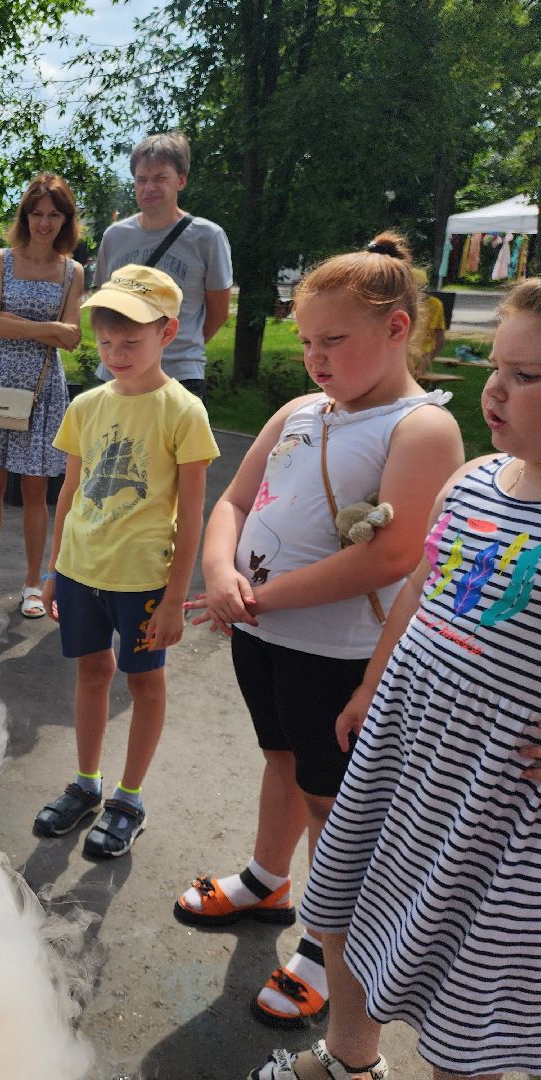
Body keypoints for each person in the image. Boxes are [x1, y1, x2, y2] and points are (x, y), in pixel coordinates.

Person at [248, 279, 541, 1080]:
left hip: (499, 802)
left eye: (527, 376)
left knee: (470, 977)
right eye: (495, 365)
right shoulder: (476, 481)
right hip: (406, 755)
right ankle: (350, 1059)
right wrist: (372, 687)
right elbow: (418, 586)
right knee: (345, 903)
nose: (495, 389)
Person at [176, 233, 464, 1030]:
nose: (316, 358)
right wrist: (221, 571)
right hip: (264, 638)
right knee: (281, 761)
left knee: (332, 801)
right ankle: (269, 878)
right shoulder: (301, 411)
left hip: (337, 653)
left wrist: (262, 597)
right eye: (307, 341)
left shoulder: (422, 428)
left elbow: (397, 555)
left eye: (334, 340)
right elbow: (233, 501)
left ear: (399, 329)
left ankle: (327, 946)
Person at [31, 265, 219, 857]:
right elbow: (68, 492)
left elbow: (192, 514)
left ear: (167, 333)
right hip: (80, 571)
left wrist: (173, 598)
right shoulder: (85, 405)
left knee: (145, 683)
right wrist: (51, 570)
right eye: (106, 342)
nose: (115, 353)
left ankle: (129, 797)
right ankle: (87, 784)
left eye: (130, 342)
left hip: (143, 581)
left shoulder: (183, 411)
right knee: (91, 674)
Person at [0, 174, 84, 617]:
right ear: (26, 215)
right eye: (37, 213)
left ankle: (33, 581)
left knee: (35, 487)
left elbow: (73, 339)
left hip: (43, 388)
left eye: (53, 215)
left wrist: (24, 324)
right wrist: (47, 328)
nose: (44, 223)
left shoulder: (72, 272)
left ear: (66, 220)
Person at [92, 132, 232, 400]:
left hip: (179, 374)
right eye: (141, 179)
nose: (149, 188)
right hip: (116, 374)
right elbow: (102, 303)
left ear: (181, 180)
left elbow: (218, 312)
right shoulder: (115, 236)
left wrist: (174, 345)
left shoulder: (208, 237)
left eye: (160, 178)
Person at [407, 267, 446, 378]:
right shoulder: (400, 304)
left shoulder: (434, 305)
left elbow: (440, 339)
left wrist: (423, 365)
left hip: (421, 353)